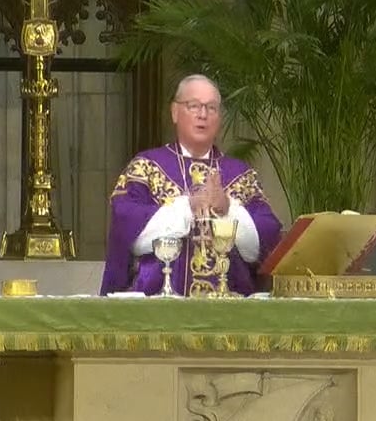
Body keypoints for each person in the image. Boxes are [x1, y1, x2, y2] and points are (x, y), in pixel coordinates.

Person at [101, 75, 283, 297]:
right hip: (158, 304)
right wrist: (187, 207)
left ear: (220, 118)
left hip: (230, 307)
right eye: (194, 106)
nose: (203, 114)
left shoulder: (241, 175)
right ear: (175, 112)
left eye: (211, 108)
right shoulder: (146, 167)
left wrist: (228, 208)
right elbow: (126, 228)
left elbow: (268, 237)